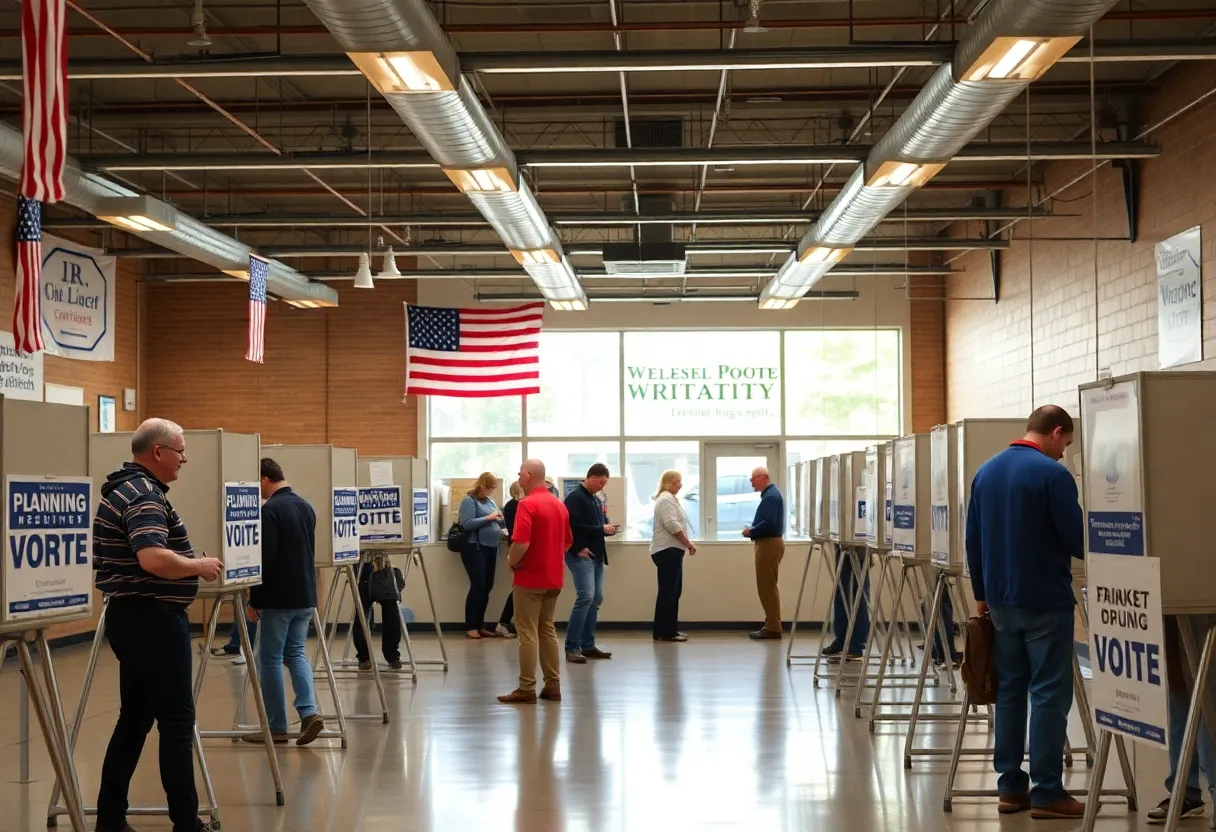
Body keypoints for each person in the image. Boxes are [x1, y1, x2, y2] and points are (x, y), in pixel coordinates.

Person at [93, 418, 222, 832]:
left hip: (131, 617)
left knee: (134, 720)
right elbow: (151, 558)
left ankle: (110, 817)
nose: (184, 459)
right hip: (153, 621)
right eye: (180, 451)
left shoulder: (123, 489)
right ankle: (186, 823)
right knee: (177, 722)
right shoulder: (145, 496)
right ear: (158, 452)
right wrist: (197, 566)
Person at [966, 404, 1084, 819]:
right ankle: (1048, 792)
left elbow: (973, 539)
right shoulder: (1054, 475)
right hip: (1045, 599)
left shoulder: (986, 472)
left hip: (1000, 600)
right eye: (1066, 443)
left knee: (1011, 692)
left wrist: (982, 593)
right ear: (1055, 432)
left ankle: (1011, 788)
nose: (1064, 452)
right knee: (1049, 693)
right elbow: (1077, 539)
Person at [242, 458, 324, 746]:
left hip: (278, 598)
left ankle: (276, 726)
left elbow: (266, 559)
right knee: (296, 653)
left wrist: (254, 599)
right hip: (305, 595)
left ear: (264, 479)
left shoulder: (270, 510)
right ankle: (309, 713)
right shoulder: (305, 506)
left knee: (270, 659)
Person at [499, 459, 572, 704]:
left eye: (520, 473)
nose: (519, 477)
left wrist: (512, 561)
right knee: (547, 628)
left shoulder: (527, 504)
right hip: (554, 577)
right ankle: (553, 685)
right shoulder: (559, 505)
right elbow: (567, 542)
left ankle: (526, 687)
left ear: (528, 476)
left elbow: (521, 542)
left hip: (530, 577)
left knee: (526, 632)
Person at [1146, 615, 1216, 824]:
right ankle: (1184, 791)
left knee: (1207, 694)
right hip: (1169, 608)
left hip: (1203, 605)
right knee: (1179, 694)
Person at [564, 463, 618, 663]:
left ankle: (587, 644)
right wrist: (577, 546)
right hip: (580, 553)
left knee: (596, 598)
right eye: (601, 482)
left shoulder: (594, 499)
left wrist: (607, 528)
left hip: (595, 554)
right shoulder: (575, 497)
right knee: (585, 597)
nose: (602, 486)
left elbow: (597, 525)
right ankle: (572, 647)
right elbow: (570, 526)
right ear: (592, 477)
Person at [649, 470, 696, 642]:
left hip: (671, 550)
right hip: (668, 550)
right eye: (678, 482)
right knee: (669, 592)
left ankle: (665, 630)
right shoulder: (666, 499)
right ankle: (667, 632)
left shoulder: (669, 499)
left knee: (671, 591)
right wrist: (688, 543)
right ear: (669, 483)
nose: (680, 485)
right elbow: (672, 524)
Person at [458, 472, 505, 639]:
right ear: (481, 485)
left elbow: (497, 520)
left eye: (493, 488)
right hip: (475, 548)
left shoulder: (490, 501)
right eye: (488, 487)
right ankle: (471, 625)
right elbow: (467, 524)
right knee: (478, 585)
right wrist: (489, 518)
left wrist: (499, 518)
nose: (490, 491)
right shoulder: (469, 501)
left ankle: (480, 625)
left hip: (491, 547)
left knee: (487, 586)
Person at [742, 466, 785, 640]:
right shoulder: (770, 495)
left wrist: (751, 531)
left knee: (767, 587)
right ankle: (771, 623)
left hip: (768, 543)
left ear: (763, 477)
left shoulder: (770, 497)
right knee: (768, 585)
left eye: (753, 479)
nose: (751, 482)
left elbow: (769, 523)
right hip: (769, 543)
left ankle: (773, 627)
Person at [822, 545, 870, 660]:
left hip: (858, 545)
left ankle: (856, 646)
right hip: (842, 543)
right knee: (841, 592)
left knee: (856, 594)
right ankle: (842, 641)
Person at [351, 565, 403, 671]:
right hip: (364, 568)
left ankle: (391, 655)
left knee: (390, 605)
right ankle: (365, 656)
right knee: (363, 608)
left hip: (381, 569)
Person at [494, 480, 525, 637]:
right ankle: (504, 622)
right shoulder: (516, 505)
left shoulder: (512, 505)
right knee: (520, 588)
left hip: (516, 546)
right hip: (520, 548)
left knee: (520, 588)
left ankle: (506, 622)